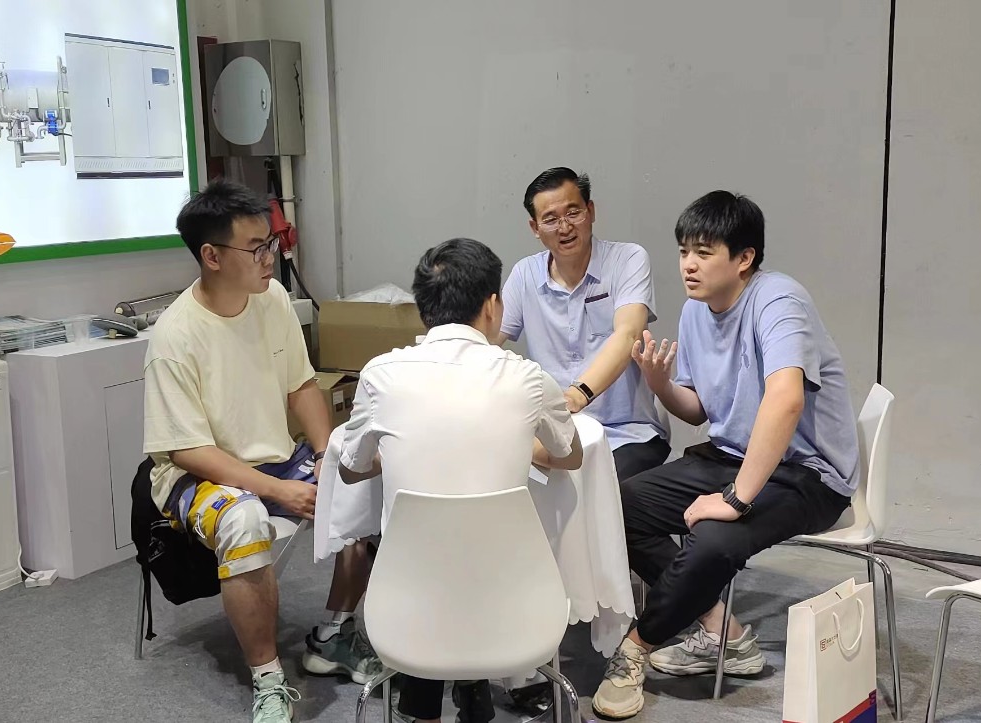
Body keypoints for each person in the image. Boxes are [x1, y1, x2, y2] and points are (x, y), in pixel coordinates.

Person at [590, 192, 859, 719]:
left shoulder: (779, 301)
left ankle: (634, 649)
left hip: (807, 474)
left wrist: (735, 499)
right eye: (684, 251)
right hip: (731, 455)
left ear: (744, 258)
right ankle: (724, 633)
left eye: (704, 252)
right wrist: (660, 384)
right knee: (617, 507)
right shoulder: (697, 310)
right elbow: (698, 409)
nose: (688, 265)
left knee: (713, 538)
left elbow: (786, 398)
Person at [143, 179, 382, 723]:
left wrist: (327, 453)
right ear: (212, 256)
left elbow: (302, 385)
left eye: (270, 242)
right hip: (198, 476)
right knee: (245, 520)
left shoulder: (270, 299)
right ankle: (269, 680)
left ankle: (334, 636)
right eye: (256, 247)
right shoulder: (175, 338)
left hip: (275, 457)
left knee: (365, 482)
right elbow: (188, 450)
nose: (270, 256)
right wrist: (277, 489)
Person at [339, 238, 583, 723]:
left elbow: (350, 468)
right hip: (514, 604)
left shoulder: (380, 375)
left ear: (422, 309)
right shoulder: (528, 378)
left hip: (405, 607)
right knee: (474, 548)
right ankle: (474, 695)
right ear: (492, 305)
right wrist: (517, 445)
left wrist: (398, 451)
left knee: (432, 556)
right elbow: (570, 456)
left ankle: (426, 708)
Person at [499, 167, 671, 483]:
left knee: (599, 488)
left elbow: (628, 333)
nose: (565, 227)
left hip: (625, 432)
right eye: (550, 219)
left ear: (590, 211)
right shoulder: (525, 275)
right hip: (556, 435)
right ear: (535, 227)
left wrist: (578, 394)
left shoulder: (627, 260)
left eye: (573, 213)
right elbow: (487, 339)